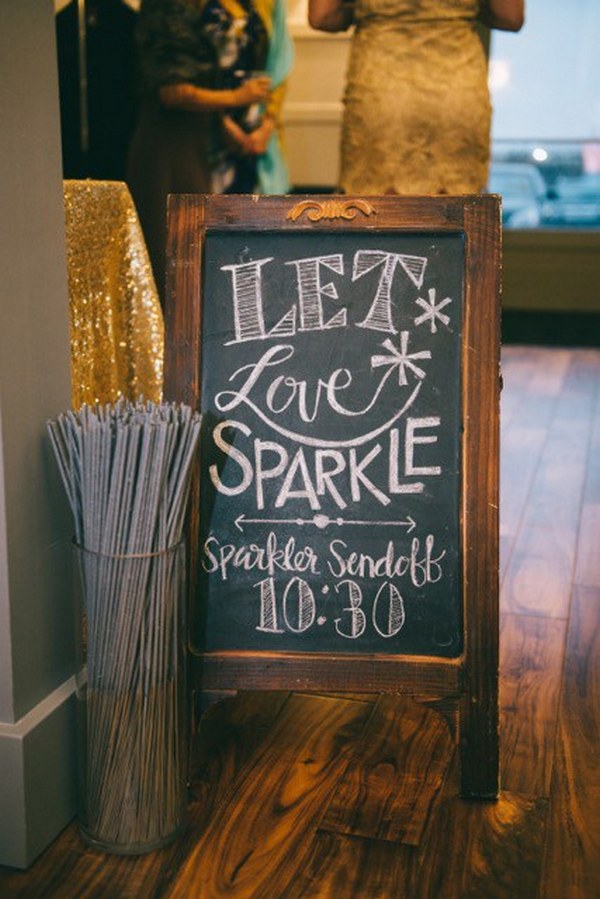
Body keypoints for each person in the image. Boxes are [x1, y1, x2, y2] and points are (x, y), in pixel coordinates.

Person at [127, 0, 293, 298]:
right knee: (180, 264)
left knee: (230, 264)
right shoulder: (169, 9)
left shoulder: (256, 7)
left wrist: (264, 123)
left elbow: (277, 66)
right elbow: (172, 92)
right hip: (177, 143)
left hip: (222, 145)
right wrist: (235, 100)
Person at [307, 0, 524, 195]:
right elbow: (510, 16)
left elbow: (322, 16)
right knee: (457, 214)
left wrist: (370, 11)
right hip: (454, 83)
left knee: (373, 212)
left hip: (382, 85)